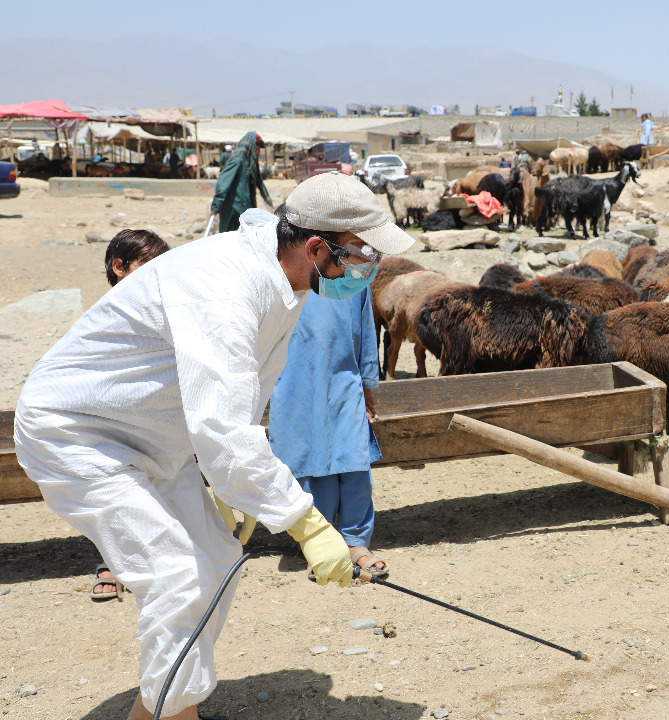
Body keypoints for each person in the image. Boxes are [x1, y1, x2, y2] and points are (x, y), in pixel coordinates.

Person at [14, 171, 414, 720]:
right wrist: (309, 523)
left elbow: (242, 398)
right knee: (176, 572)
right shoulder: (225, 284)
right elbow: (224, 428)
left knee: (219, 559)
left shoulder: (286, 283)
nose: (366, 269)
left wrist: (239, 492)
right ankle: (172, 714)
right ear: (317, 247)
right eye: (361, 254)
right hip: (79, 433)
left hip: (155, 438)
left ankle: (163, 710)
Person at [268, 237, 387, 581]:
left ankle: (353, 541)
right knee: (310, 461)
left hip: (343, 378)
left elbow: (366, 331)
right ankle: (321, 544)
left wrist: (367, 383)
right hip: (294, 381)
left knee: (353, 458)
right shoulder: (282, 275)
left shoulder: (353, 274)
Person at [87, 229, 172, 602]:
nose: (158, 274)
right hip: (108, 424)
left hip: (155, 422)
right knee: (112, 497)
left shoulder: (164, 312)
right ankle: (110, 564)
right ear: (119, 267)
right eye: (147, 265)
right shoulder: (100, 317)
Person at [210, 132, 270, 233]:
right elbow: (223, 184)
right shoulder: (238, 161)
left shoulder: (247, 164)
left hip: (244, 211)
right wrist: (216, 206)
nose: (258, 152)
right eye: (258, 148)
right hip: (234, 212)